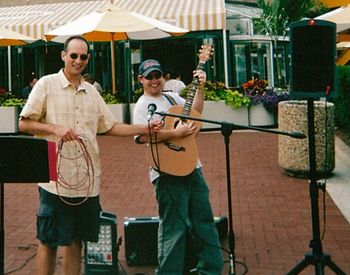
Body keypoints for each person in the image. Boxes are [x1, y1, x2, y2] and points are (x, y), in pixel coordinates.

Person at [18, 35, 160, 275]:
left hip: (86, 181)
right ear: (63, 56)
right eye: (73, 55)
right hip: (54, 178)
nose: (78, 60)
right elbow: (24, 123)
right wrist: (56, 129)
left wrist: (143, 129)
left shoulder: (92, 92)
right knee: (49, 241)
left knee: (76, 241)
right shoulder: (46, 84)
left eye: (83, 56)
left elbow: (109, 126)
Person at [133, 58, 224, 274]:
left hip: (192, 165)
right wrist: (174, 133)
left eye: (158, 76)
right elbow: (142, 137)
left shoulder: (171, 97)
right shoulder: (142, 106)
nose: (155, 81)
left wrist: (199, 88)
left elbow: (196, 113)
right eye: (150, 77)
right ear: (141, 79)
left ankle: (210, 269)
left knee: (204, 220)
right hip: (167, 171)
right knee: (174, 228)